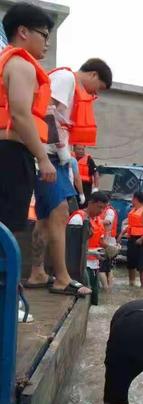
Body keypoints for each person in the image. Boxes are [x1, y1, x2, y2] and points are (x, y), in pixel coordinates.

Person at [26, 58, 112, 296]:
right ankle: (62, 279)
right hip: (50, 157)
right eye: (100, 88)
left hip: (50, 156)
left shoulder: (68, 82)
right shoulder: (66, 79)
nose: (96, 94)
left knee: (44, 219)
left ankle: (37, 272)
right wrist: (62, 152)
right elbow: (46, 111)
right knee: (61, 212)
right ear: (93, 75)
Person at [0, 3, 56, 233]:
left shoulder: (5, 62)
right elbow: (21, 115)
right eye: (43, 34)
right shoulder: (22, 65)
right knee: (8, 229)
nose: (47, 42)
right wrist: (43, 159)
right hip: (11, 155)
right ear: (23, 32)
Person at [68, 191, 109, 305]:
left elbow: (98, 241)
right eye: (99, 207)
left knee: (94, 302)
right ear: (90, 203)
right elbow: (71, 249)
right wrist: (91, 252)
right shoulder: (78, 218)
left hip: (94, 265)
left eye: (103, 209)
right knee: (85, 300)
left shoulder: (97, 220)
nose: (101, 211)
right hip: (82, 267)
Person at [117, 191, 143, 288]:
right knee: (130, 264)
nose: (131, 200)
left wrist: (142, 239)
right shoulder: (133, 211)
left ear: (136, 199)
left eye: (132, 198)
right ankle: (131, 284)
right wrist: (121, 234)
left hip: (140, 241)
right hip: (131, 239)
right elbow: (130, 225)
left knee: (142, 266)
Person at [98, 201, 118, 289]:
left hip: (107, 242)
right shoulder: (106, 210)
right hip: (106, 241)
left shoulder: (109, 211)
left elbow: (108, 222)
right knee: (107, 268)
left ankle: (106, 289)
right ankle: (109, 289)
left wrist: (94, 220)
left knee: (102, 268)